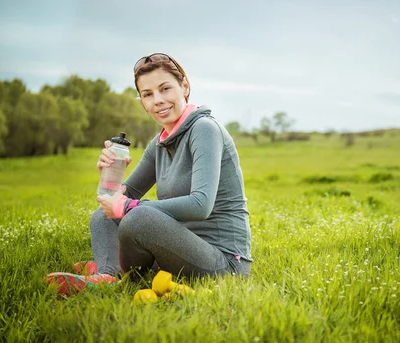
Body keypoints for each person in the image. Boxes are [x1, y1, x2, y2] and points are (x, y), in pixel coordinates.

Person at [46, 53, 252, 295]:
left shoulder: (204, 129)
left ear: (184, 87)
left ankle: (114, 265)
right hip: (179, 249)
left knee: (138, 217)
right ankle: (108, 275)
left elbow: (200, 205)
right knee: (102, 217)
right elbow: (116, 201)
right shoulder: (159, 143)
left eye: (165, 89)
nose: (158, 101)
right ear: (142, 101)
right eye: (148, 94)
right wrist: (109, 176)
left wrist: (129, 207)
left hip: (223, 262)